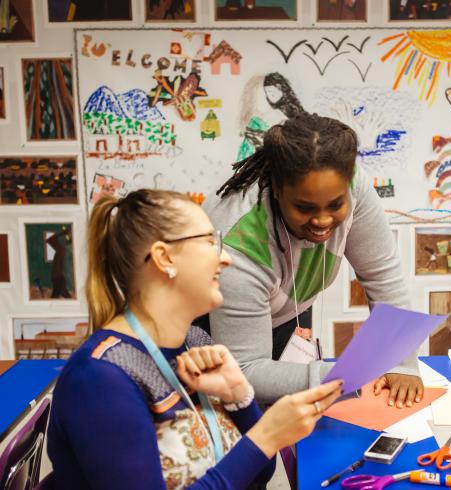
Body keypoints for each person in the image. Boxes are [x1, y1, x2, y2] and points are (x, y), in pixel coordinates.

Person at [47, 189, 342, 489]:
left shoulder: (195, 341)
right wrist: (266, 436)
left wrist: (240, 397)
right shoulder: (101, 378)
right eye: (210, 242)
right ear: (164, 258)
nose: (225, 258)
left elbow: (259, 474)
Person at [203, 113, 422, 409]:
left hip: (287, 309)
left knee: (298, 427)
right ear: (277, 191)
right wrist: (345, 377)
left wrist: (400, 362)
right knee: (252, 434)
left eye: (335, 205)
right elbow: (243, 370)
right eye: (305, 208)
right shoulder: (239, 246)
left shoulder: (351, 183)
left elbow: (382, 275)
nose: (321, 220)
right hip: (218, 333)